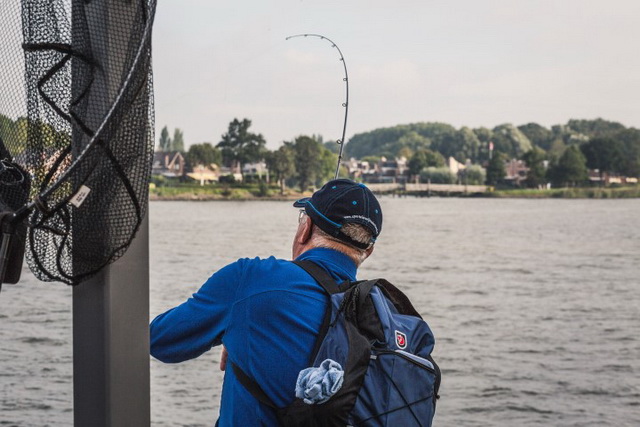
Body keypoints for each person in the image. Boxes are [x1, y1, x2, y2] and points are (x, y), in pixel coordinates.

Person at [150, 178, 383, 426]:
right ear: (367, 251)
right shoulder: (386, 312)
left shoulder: (251, 279)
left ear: (305, 228)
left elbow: (160, 340)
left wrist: (233, 328)